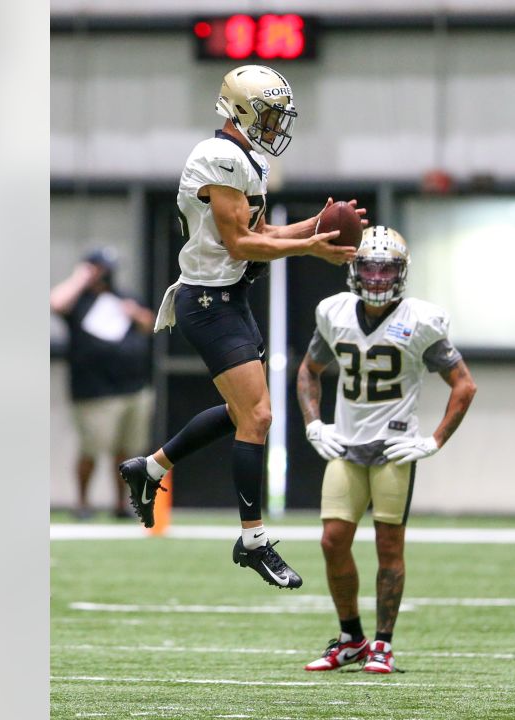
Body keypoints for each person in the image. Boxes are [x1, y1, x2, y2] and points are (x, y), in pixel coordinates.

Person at [117, 64, 360, 589]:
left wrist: (314, 226)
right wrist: (312, 247)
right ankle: (252, 540)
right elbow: (241, 245)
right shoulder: (219, 157)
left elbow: (261, 231)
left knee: (240, 413)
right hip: (208, 302)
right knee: (259, 417)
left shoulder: (243, 160)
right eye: (270, 115)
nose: (276, 127)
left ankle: (151, 468)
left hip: (230, 297)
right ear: (243, 112)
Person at [296, 226, 478, 673]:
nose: (377, 277)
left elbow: (464, 385)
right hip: (346, 444)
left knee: (388, 547)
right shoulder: (334, 313)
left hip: (394, 447)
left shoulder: (420, 320)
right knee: (332, 541)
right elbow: (308, 371)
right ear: (354, 269)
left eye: (386, 268)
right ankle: (351, 638)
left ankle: (383, 644)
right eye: (369, 267)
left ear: (402, 272)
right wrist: (314, 424)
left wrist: (433, 441)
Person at [51, 248, 156, 520]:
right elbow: (56, 303)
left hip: (133, 387)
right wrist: (80, 277)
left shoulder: (124, 298)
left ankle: (122, 505)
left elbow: (150, 324)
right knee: (91, 450)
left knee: (127, 453)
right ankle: (82, 503)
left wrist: (135, 314)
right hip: (95, 392)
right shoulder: (79, 302)